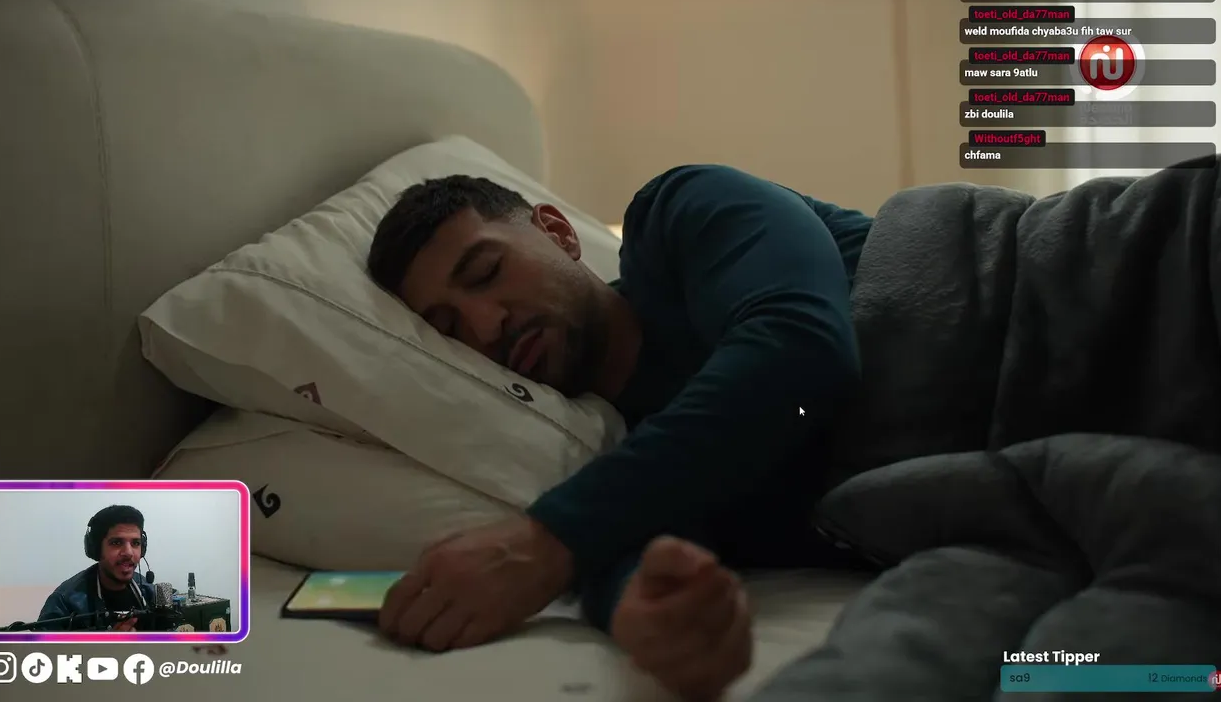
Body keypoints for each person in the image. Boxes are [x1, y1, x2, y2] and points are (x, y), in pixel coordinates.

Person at [367, 165, 874, 699]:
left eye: (487, 272)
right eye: (450, 329)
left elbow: (806, 353)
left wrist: (547, 540)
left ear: (558, 233)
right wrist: (651, 618)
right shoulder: (607, 455)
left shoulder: (680, 214)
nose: (485, 325)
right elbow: (629, 556)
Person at [37, 505, 156, 632]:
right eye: (116, 543)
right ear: (96, 549)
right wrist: (106, 642)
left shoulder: (148, 591)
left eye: (135, 543)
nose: (129, 552)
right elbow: (42, 644)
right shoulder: (64, 602)